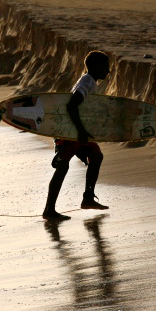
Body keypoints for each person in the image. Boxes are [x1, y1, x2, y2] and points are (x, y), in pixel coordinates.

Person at [43, 50, 110, 221]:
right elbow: (72, 106)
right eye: (105, 67)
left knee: (96, 156)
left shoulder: (91, 81)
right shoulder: (87, 82)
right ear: (95, 67)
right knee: (63, 167)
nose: (108, 71)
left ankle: (88, 198)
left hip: (75, 131)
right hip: (69, 132)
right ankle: (49, 210)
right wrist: (80, 131)